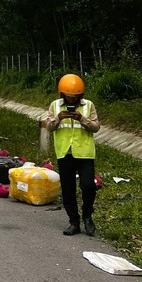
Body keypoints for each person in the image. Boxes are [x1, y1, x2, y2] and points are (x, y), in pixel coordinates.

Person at [45, 73, 100, 236]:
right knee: (68, 190)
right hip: (64, 152)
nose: (71, 100)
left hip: (85, 153)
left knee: (88, 186)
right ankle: (73, 222)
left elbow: (96, 127)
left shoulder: (88, 105)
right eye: (68, 97)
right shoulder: (55, 106)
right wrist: (58, 118)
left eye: (74, 97)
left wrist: (82, 119)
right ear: (62, 94)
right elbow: (49, 127)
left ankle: (88, 217)